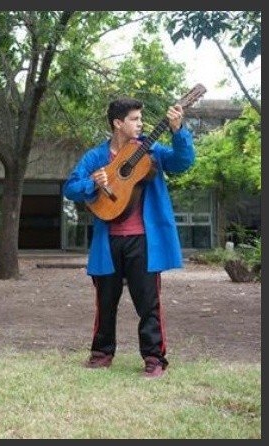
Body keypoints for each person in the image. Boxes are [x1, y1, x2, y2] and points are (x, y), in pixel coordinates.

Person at [62, 98, 195, 379]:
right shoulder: (97, 157)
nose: (140, 123)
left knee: (148, 303)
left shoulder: (152, 150)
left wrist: (178, 129)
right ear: (118, 123)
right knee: (106, 301)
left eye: (141, 119)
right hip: (107, 241)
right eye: (135, 119)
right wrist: (93, 183)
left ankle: (154, 358)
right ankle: (101, 353)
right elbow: (71, 188)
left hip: (144, 240)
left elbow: (183, 162)